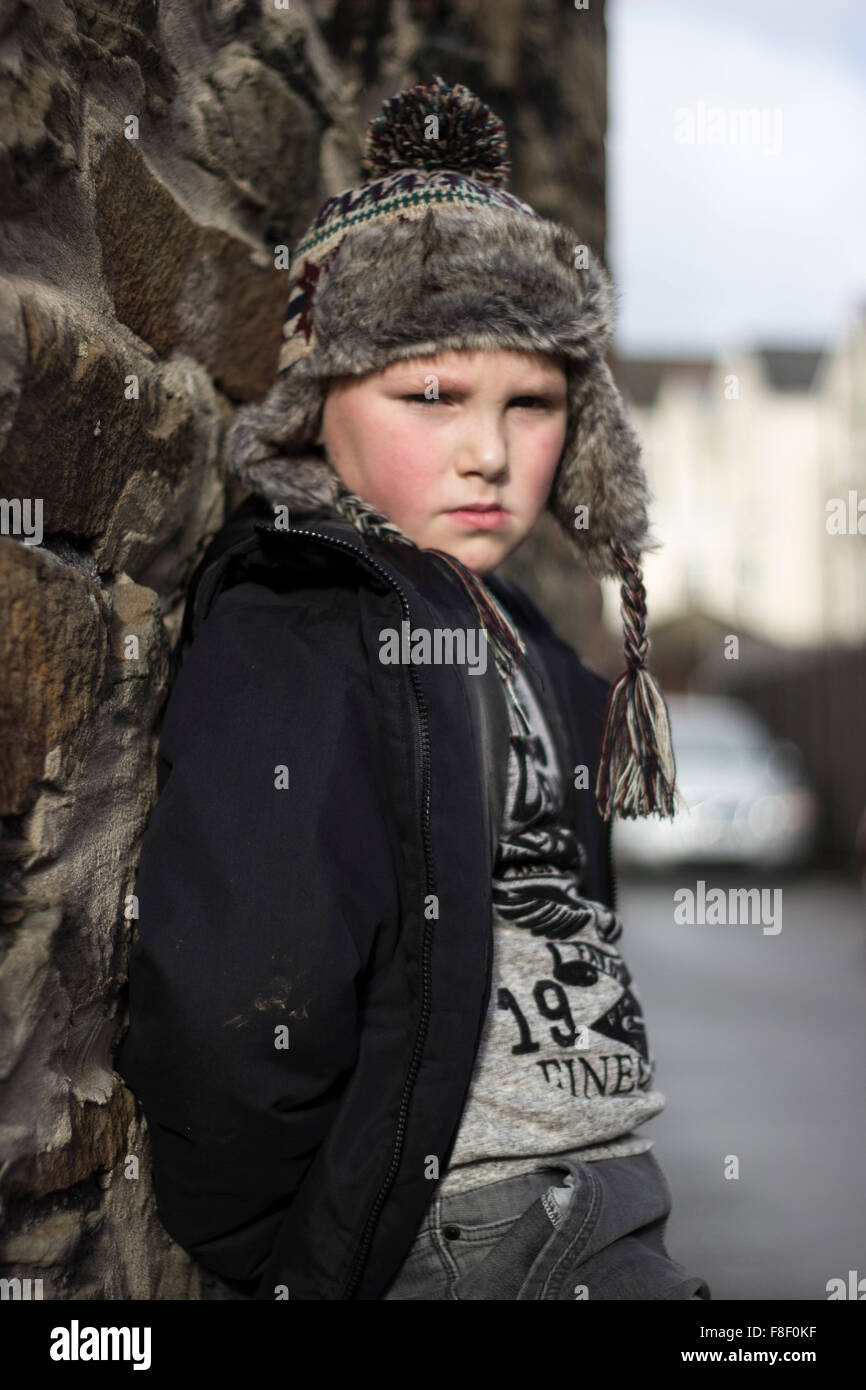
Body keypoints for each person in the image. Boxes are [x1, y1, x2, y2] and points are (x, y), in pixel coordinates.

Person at [114, 75, 710, 1302]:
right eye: (428, 395)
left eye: (532, 403)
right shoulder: (304, 618)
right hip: (469, 1228)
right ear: (314, 401)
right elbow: (242, 974)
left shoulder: (531, 635)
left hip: (603, 1186)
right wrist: (286, 1241)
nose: (489, 452)